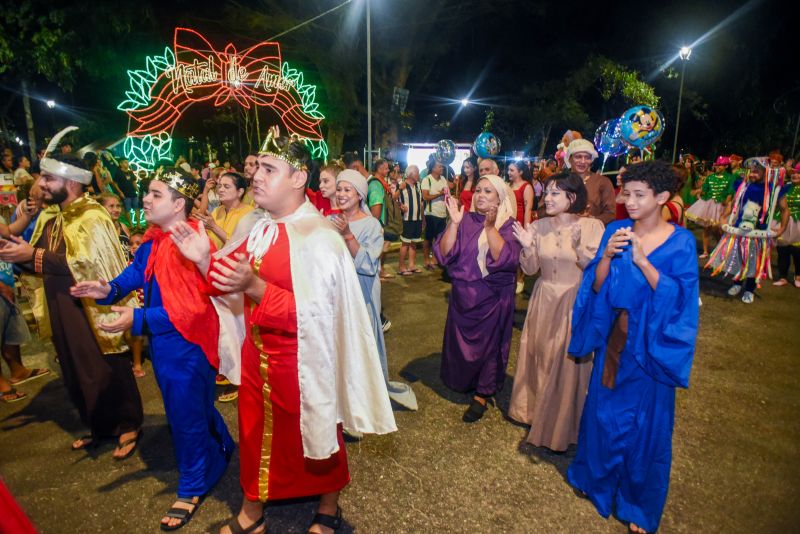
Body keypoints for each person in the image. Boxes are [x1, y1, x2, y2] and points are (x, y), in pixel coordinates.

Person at [170, 127, 396, 534]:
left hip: (306, 364)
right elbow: (227, 279)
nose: (255, 175)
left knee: (321, 433)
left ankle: (329, 506)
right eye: (256, 167)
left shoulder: (321, 238)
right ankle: (252, 514)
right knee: (256, 436)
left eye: (269, 168)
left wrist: (256, 288)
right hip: (260, 359)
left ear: (298, 178)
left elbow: (323, 315)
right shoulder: (261, 228)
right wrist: (204, 260)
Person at [72, 167, 235, 531]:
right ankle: (222, 447)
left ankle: (192, 486)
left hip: (188, 346)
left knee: (184, 417)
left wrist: (137, 319)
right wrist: (108, 290)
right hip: (166, 345)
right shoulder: (156, 239)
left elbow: (191, 309)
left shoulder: (189, 242)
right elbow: (137, 271)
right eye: (147, 192)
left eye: (155, 194)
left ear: (179, 205)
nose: (145, 198)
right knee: (192, 408)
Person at [567, 160, 699, 534]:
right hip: (615, 342)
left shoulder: (681, 242)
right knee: (603, 413)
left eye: (640, 195)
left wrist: (644, 263)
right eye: (628, 193)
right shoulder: (617, 229)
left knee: (646, 428)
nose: (631, 201)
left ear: (662, 197)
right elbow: (596, 285)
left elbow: (681, 300)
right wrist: (606, 256)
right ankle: (594, 480)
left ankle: (637, 504)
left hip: (651, 346)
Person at [0, 127, 143, 458]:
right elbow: (39, 260)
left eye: (49, 179)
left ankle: (129, 425)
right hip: (62, 306)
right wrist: (18, 253)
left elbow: (87, 263)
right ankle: (101, 427)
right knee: (78, 371)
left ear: (72, 182)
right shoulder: (56, 219)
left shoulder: (92, 216)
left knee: (106, 366)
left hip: (89, 307)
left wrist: (32, 256)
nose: (43, 185)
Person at [508, 172, 603, 452]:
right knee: (539, 354)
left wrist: (579, 250)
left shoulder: (592, 226)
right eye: (546, 192)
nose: (547, 198)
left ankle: (564, 420)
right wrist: (526, 248)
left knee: (567, 360)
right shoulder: (538, 226)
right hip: (543, 296)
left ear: (572, 197)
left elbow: (598, 274)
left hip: (574, 299)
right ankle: (533, 411)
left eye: (555, 193)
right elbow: (529, 269)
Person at [434, 175, 521, 423]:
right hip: (463, 296)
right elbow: (445, 254)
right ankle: (460, 379)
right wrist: (453, 223)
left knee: (489, 347)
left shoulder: (508, 224)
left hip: (491, 298)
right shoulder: (465, 219)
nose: (480, 195)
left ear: (500, 198)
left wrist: (490, 227)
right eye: (479, 190)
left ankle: (482, 394)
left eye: (488, 192)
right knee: (460, 346)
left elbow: (505, 259)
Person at [332, 169, 417, 410]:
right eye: (339, 189)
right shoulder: (331, 221)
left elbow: (369, 265)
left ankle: (361, 400)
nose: (341, 194)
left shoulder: (371, 225)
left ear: (360, 195)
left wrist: (348, 235)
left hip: (362, 295)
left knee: (360, 347)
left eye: (347, 189)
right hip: (337, 296)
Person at [707, 159, 789, 304]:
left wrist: (782, 228)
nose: (752, 174)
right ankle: (737, 284)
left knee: (753, 262)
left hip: (758, 232)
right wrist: (723, 217)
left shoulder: (773, 189)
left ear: (765, 172)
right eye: (751, 171)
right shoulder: (743, 185)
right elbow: (734, 203)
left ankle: (749, 289)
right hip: (740, 229)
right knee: (738, 258)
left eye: (756, 171)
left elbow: (784, 209)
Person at [685, 156, 735, 258]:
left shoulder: (730, 177)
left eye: (720, 165)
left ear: (725, 166)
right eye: (717, 165)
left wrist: (727, 201)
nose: (717, 167)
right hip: (709, 204)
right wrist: (697, 191)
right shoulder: (710, 177)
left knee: (718, 229)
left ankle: (720, 250)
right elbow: (704, 189)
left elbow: (730, 192)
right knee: (706, 228)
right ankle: (705, 251)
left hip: (721, 205)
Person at [564, 139, 615, 225]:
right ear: (569, 159)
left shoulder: (603, 182)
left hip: (592, 234)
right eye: (578, 157)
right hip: (561, 233)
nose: (583, 161)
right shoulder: (559, 182)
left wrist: (591, 220)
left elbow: (610, 214)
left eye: (587, 157)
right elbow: (542, 210)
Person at [200, 171, 254, 250]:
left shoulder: (249, 213)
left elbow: (240, 246)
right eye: (220, 186)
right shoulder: (217, 210)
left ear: (240, 192)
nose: (220, 190)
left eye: (226, 187)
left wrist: (214, 227)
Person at [773, 164, 800, 287]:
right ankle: (783, 276)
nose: (795, 175)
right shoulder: (785, 186)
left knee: (798, 251)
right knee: (782, 249)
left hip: (798, 223)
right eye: (794, 173)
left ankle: (798, 276)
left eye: (798, 173)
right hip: (783, 221)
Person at [421, 160, 449, 270]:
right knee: (428, 238)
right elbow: (425, 197)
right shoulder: (427, 180)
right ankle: (427, 259)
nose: (442, 168)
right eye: (439, 167)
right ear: (433, 168)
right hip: (431, 214)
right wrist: (439, 194)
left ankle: (436, 258)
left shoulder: (443, 179)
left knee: (439, 238)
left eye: (442, 167)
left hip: (442, 214)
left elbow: (447, 194)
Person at [397, 165, 424, 275]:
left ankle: (411, 265)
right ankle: (401, 266)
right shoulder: (402, 185)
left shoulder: (418, 185)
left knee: (414, 242)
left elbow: (421, 203)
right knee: (405, 243)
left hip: (417, 218)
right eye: (417, 173)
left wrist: (423, 218)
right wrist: (400, 206)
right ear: (411, 174)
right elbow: (394, 199)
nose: (418, 175)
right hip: (407, 218)